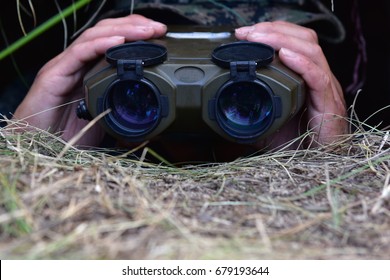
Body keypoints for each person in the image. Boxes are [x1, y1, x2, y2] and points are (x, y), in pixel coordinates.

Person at [10, 0, 348, 161]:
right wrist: (30, 150)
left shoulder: (315, 108)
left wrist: (325, 159)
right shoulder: (60, 100)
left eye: (247, 100)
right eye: (136, 97)